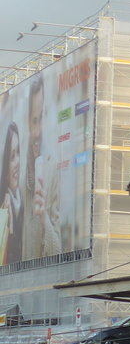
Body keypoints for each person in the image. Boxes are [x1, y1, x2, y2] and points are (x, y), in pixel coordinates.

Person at [23, 76, 61, 258]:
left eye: (41, 119)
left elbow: (57, 252)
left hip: (41, 276)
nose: (37, 133)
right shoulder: (15, 172)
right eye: (34, 120)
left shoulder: (51, 170)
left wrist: (43, 217)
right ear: (27, 122)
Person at [0, 122, 24, 264]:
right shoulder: (4, 207)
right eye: (12, 156)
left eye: (18, 153)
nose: (17, 163)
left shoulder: (24, 203)